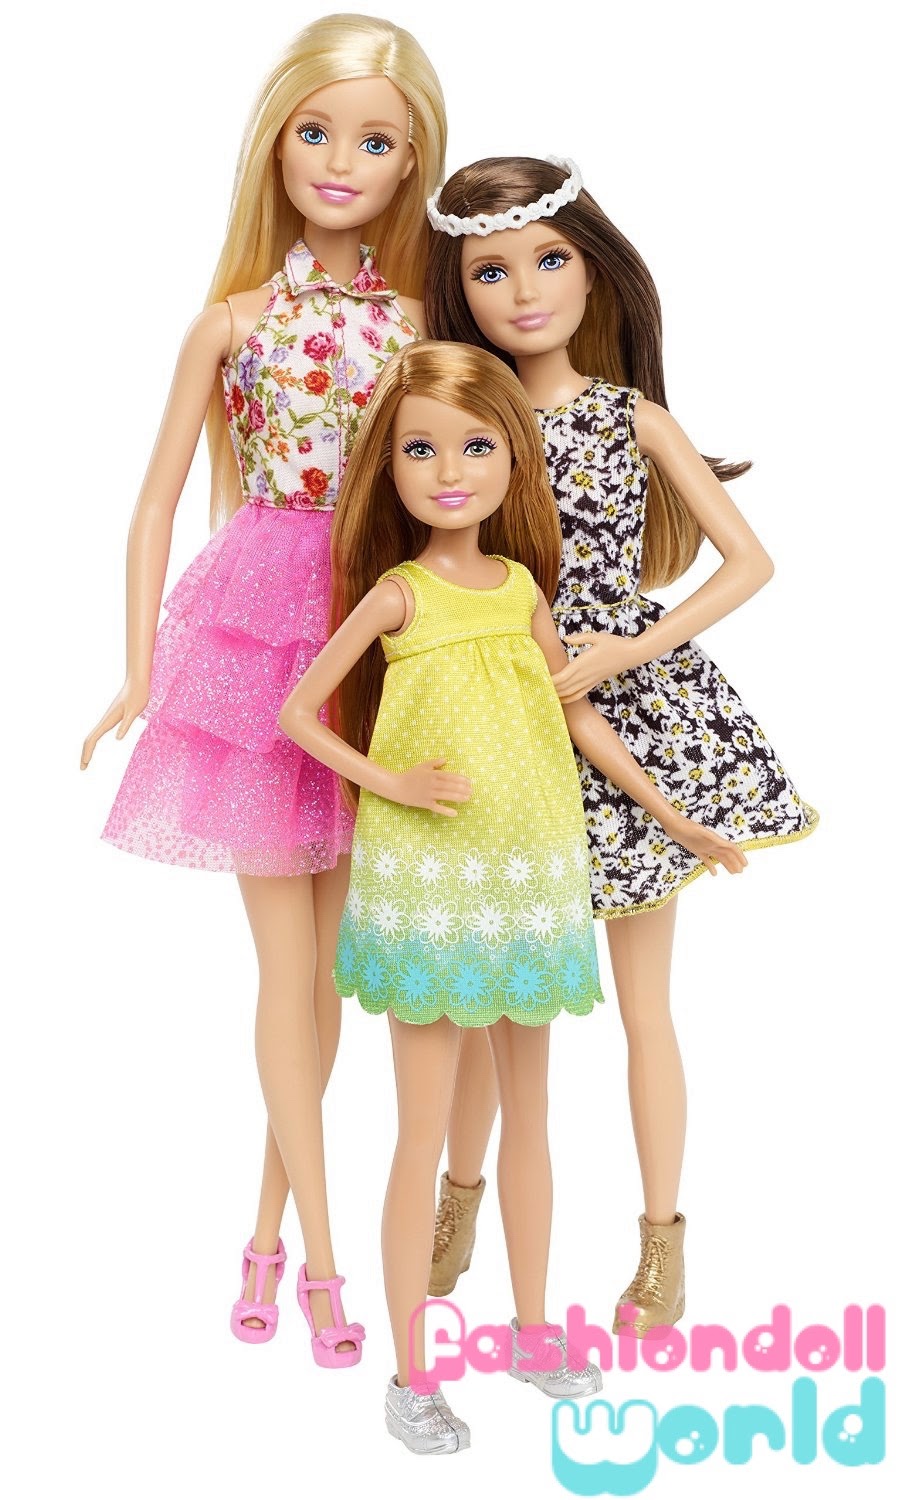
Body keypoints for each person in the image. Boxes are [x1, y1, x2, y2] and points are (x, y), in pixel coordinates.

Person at [275, 338, 745, 1450]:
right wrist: (390, 780)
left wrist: (672, 814)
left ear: (514, 459)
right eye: (421, 450)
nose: (450, 472)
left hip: (531, 873)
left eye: (476, 447)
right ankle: (412, 1376)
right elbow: (298, 713)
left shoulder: (526, 588)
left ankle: (535, 1333)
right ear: (388, 466)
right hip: (430, 881)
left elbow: (574, 713)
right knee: (421, 1130)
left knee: (531, 1116)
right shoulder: (398, 595)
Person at [80, 13, 446, 1362]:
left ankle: (262, 1231)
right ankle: (323, 1263)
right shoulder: (229, 323)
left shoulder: (421, 326)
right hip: (250, 639)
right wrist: (138, 666)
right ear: (274, 144)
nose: (340, 161)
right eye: (316, 132)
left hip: (376, 631)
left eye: (374, 142)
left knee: (335, 969)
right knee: (284, 966)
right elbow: (155, 500)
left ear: (411, 165)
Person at [423, 156, 818, 1336]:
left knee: (645, 1004)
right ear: (458, 291)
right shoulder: (466, 415)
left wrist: (628, 651)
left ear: (594, 272)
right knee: (495, 999)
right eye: (490, 272)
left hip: (626, 700)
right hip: (500, 709)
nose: (523, 292)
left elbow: (748, 561)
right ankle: (458, 1200)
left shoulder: (629, 417)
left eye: (548, 260)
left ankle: (661, 1242)